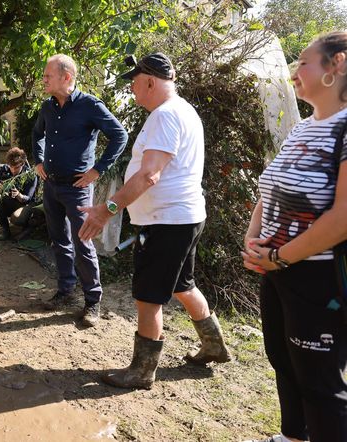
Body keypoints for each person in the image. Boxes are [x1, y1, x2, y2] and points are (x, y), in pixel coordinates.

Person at [78, 52, 231, 388]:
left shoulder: (165, 115)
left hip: (167, 222)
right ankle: (214, 344)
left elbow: (149, 175)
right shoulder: (183, 110)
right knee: (183, 285)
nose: (132, 90)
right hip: (185, 217)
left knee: (148, 296)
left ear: (150, 80)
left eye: (134, 82)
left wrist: (108, 209)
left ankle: (142, 370)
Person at [240, 32, 347, 442]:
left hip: (318, 277)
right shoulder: (303, 128)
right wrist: (254, 241)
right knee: (284, 362)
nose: (293, 72)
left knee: (320, 384)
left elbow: (342, 218)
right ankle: (293, 437)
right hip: (278, 269)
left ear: (335, 65)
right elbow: (270, 188)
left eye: (303, 62)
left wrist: (280, 256)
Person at [32, 54, 127, 327]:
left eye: (48, 75)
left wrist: (98, 170)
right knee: (59, 240)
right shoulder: (48, 107)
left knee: (82, 241)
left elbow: (119, 135)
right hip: (51, 184)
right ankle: (64, 291)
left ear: (67, 77)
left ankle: (92, 302)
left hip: (77, 188)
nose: (44, 79)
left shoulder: (89, 106)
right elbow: (37, 134)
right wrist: (38, 161)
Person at [0, 147, 38, 240]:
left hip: (26, 204)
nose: (13, 170)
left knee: (17, 218)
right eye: (11, 167)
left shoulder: (30, 175)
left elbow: (28, 198)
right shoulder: (5, 169)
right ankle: (5, 230)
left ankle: (28, 226)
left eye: (16, 167)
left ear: (22, 163)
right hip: (10, 202)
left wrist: (19, 195)